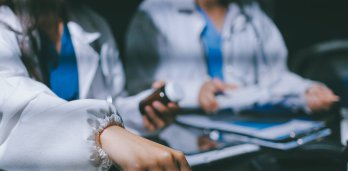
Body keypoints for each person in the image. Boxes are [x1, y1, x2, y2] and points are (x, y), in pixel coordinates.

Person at [0, 0, 198, 171]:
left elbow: (110, 103)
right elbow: (6, 107)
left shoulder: (93, 24)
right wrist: (102, 133)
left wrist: (141, 114)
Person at [125, 0, 339, 114]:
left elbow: (275, 76)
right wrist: (193, 92)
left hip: (247, 128)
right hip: (183, 136)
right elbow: (137, 90)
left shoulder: (252, 12)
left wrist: (305, 88)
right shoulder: (154, 12)